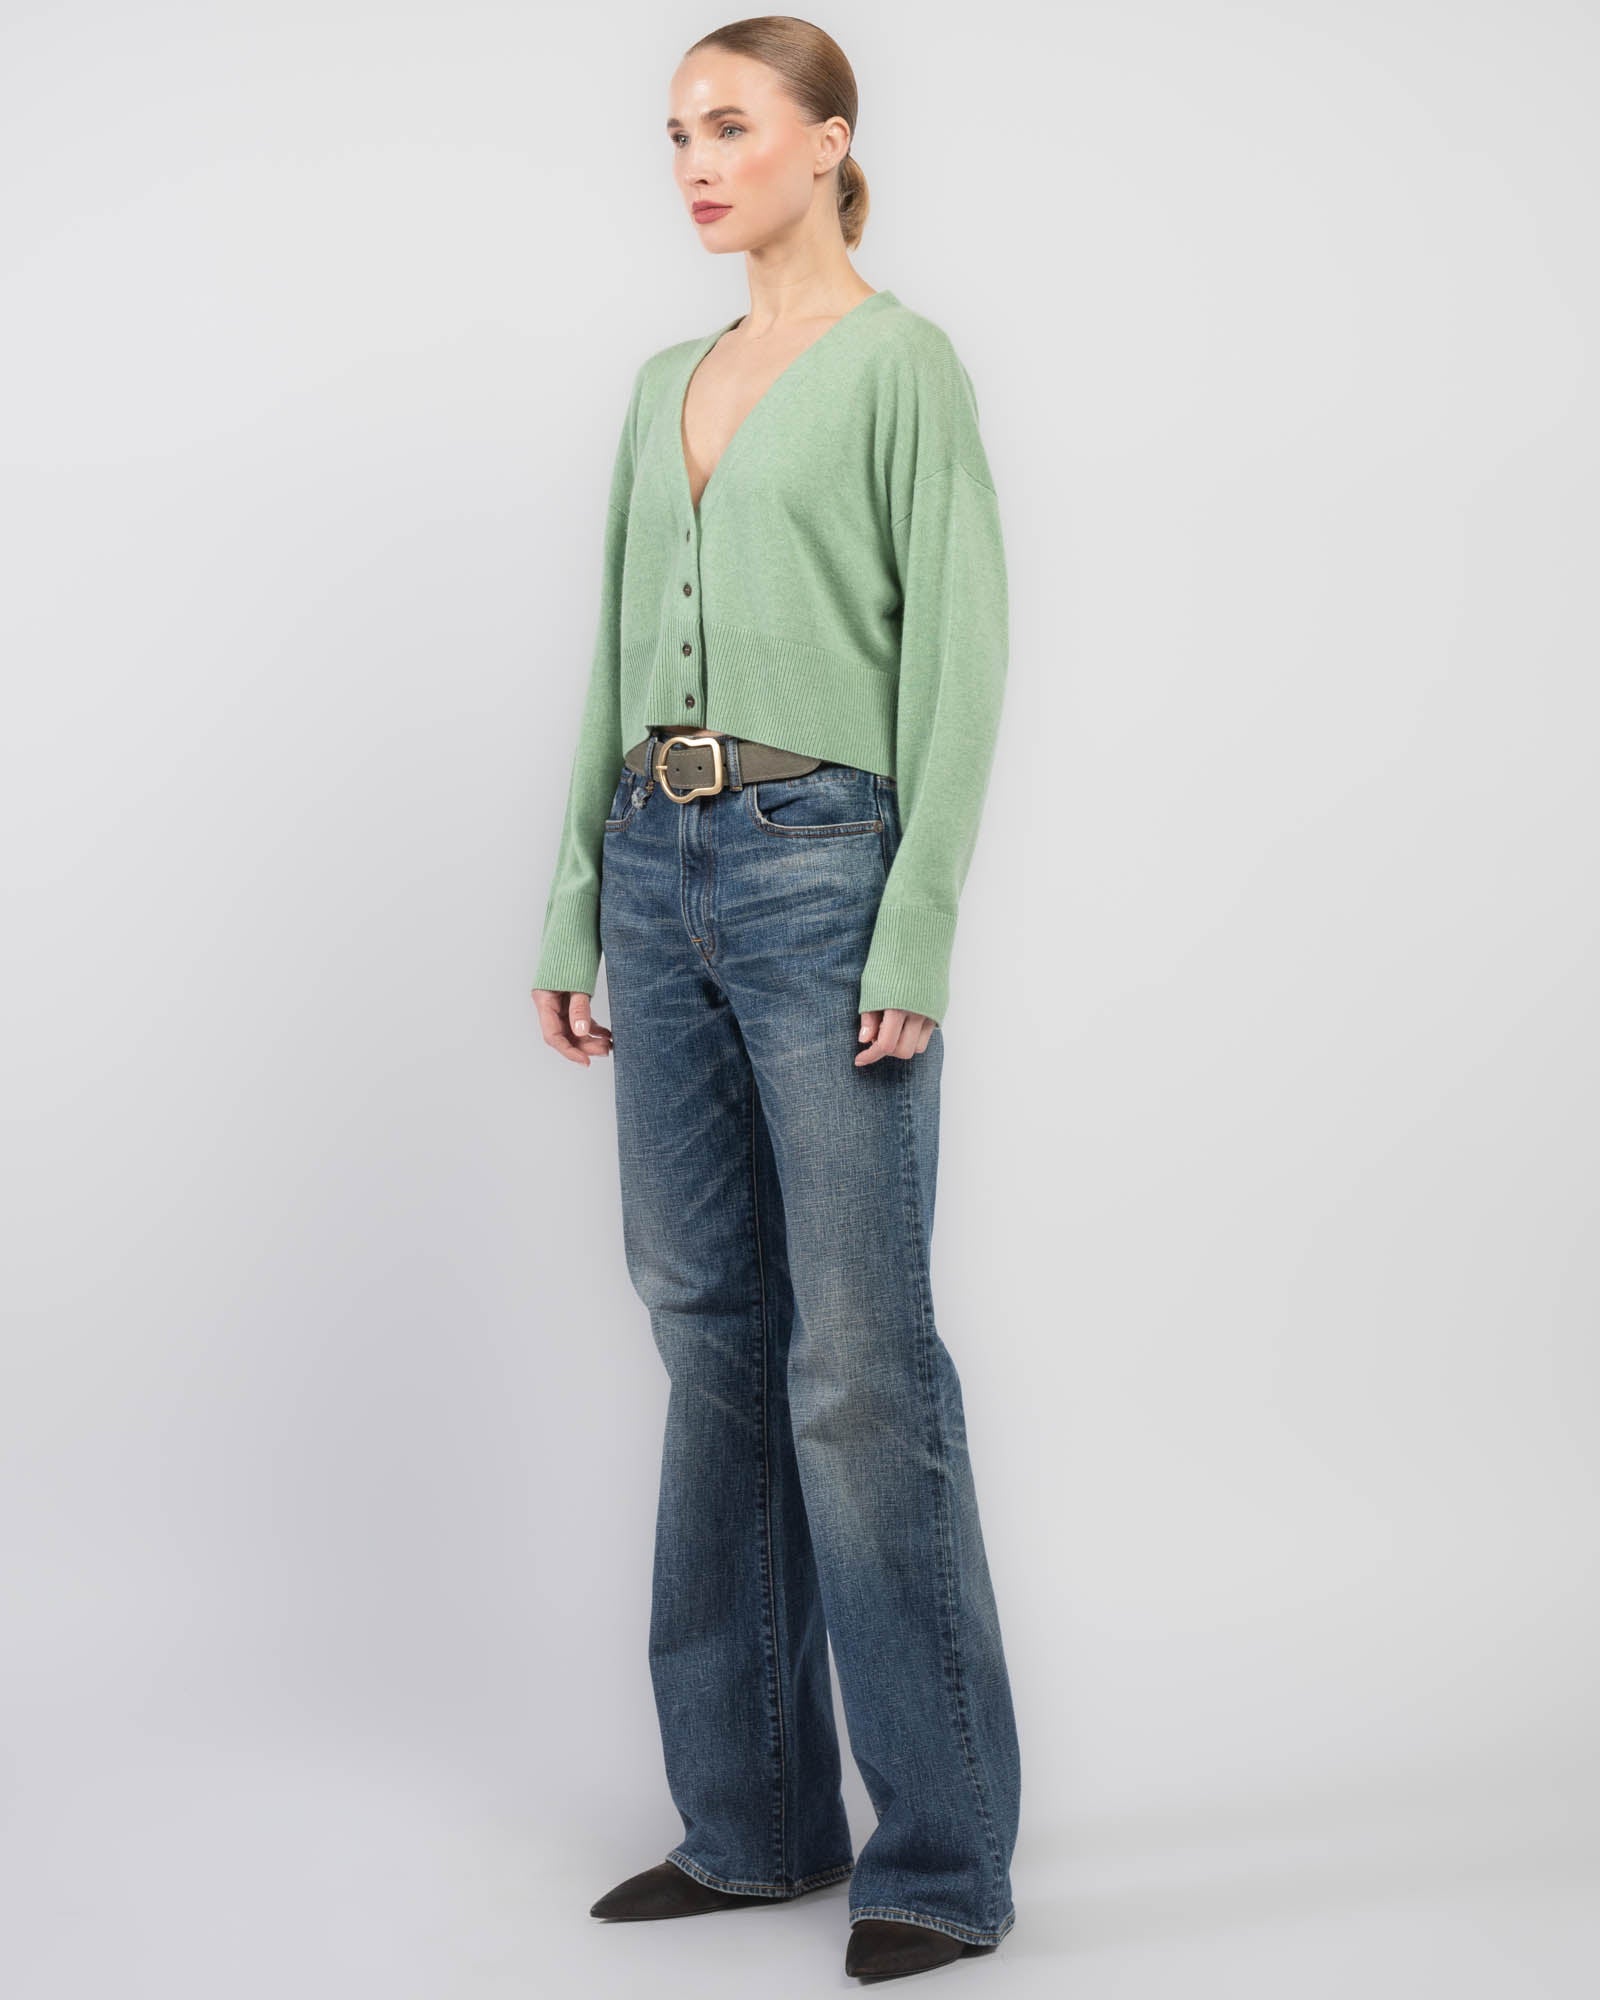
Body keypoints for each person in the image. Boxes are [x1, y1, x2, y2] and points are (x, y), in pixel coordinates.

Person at [529, 18, 1022, 1984]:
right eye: (675, 133)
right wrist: (575, 899)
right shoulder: (666, 381)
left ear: (828, 141)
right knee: (708, 1334)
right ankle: (747, 1827)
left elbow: (960, 659)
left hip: (826, 869)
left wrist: (915, 933)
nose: (694, 162)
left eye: (730, 125)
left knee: (859, 1366)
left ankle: (939, 1862)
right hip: (655, 863)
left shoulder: (902, 367)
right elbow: (604, 652)